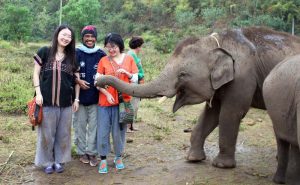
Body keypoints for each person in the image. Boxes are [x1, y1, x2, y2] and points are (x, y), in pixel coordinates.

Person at [33, 24, 80, 174]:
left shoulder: (72, 57)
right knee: (47, 134)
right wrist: (38, 93)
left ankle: (59, 161)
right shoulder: (45, 52)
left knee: (63, 133)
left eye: (69, 36)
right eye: (63, 34)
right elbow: (35, 74)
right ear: (57, 34)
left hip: (66, 102)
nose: (66, 38)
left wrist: (77, 99)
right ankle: (47, 161)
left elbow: (77, 80)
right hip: (46, 101)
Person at [96, 33, 138, 173]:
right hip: (105, 103)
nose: (111, 50)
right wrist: (107, 94)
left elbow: (136, 79)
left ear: (119, 45)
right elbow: (97, 82)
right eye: (108, 47)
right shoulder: (103, 60)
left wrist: (127, 73)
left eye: (113, 47)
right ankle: (103, 159)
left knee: (120, 132)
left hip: (124, 103)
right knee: (103, 131)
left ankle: (118, 157)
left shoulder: (129, 59)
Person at [73, 25, 106, 167]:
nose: (90, 39)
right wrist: (78, 81)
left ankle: (92, 152)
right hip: (79, 99)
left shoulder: (101, 54)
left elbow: (107, 73)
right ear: (83, 38)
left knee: (94, 127)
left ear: (96, 38)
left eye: (92, 36)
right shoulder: (76, 53)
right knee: (79, 127)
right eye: (87, 36)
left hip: (96, 98)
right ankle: (82, 152)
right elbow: (69, 72)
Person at [127, 36, 144, 132]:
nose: (141, 48)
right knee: (131, 104)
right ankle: (127, 126)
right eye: (141, 46)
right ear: (138, 46)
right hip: (132, 82)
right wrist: (140, 76)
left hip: (137, 81)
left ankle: (131, 125)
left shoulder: (134, 54)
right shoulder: (130, 55)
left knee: (136, 104)